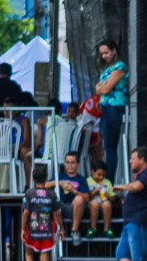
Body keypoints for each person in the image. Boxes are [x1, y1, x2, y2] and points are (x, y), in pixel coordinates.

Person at [112, 147, 147, 261]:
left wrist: (122, 186)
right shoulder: (141, 174)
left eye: (133, 158)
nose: (130, 161)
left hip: (139, 220)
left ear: (142, 160)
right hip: (130, 221)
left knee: (138, 256)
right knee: (121, 252)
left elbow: (137, 187)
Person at [21, 165, 64, 261]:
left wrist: (23, 228)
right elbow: (57, 213)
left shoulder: (29, 193)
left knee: (29, 254)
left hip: (32, 227)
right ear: (46, 179)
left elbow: (26, 212)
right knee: (44, 256)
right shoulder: (52, 194)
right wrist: (61, 228)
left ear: (33, 179)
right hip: (47, 227)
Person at [95, 40, 128, 182]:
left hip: (114, 108)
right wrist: (101, 91)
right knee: (107, 145)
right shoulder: (108, 68)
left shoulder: (119, 67)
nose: (104, 56)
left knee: (111, 147)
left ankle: (109, 181)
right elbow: (102, 89)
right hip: (107, 108)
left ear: (114, 51)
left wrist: (100, 89)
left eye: (106, 53)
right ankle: (107, 179)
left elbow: (105, 89)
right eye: (102, 53)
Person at [50, 152, 90, 246]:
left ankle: (74, 231)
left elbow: (87, 198)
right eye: (67, 162)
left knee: (79, 199)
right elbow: (44, 185)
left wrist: (74, 190)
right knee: (53, 200)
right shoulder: (60, 176)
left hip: (75, 209)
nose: (69, 165)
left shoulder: (81, 179)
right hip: (61, 207)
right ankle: (56, 230)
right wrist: (58, 182)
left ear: (78, 164)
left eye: (72, 162)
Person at [85, 159, 114, 238]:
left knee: (107, 204)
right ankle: (93, 228)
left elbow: (113, 198)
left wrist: (108, 196)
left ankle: (107, 228)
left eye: (103, 175)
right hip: (91, 206)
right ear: (92, 171)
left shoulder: (107, 182)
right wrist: (94, 192)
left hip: (104, 205)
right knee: (95, 203)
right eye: (99, 174)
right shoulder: (87, 181)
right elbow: (85, 197)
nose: (101, 177)